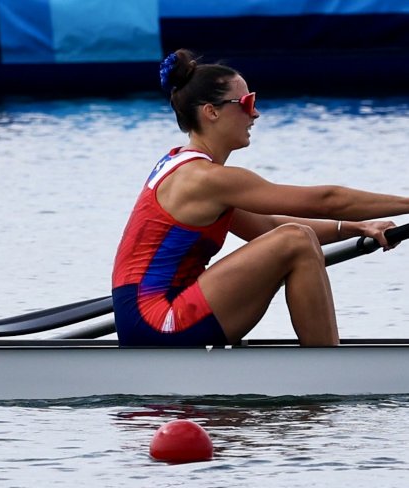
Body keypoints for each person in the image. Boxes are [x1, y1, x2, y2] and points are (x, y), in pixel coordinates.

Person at [112, 49, 409, 347]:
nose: (255, 113)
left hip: (143, 314)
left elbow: (266, 227)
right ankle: (328, 369)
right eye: (246, 103)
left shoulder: (182, 165)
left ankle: (325, 361)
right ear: (211, 112)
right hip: (156, 320)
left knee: (294, 238)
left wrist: (360, 228)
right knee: (296, 240)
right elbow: (328, 200)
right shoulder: (204, 178)